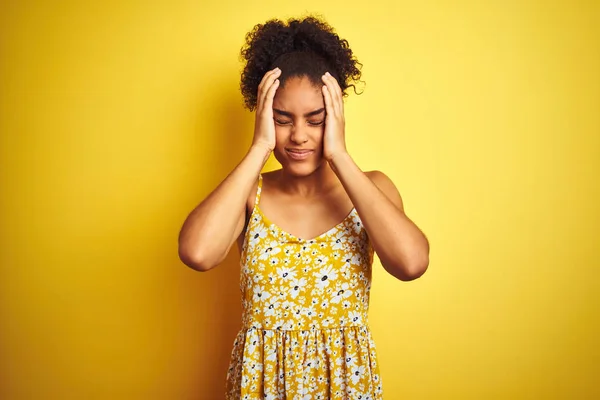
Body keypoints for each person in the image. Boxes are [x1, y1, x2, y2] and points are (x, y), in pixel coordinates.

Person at [178, 15, 430, 400]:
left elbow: (411, 264)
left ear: (337, 116)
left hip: (345, 388)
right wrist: (259, 148)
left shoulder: (372, 189)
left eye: (316, 120)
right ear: (263, 117)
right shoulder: (249, 195)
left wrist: (339, 155)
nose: (298, 135)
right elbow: (196, 253)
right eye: (282, 120)